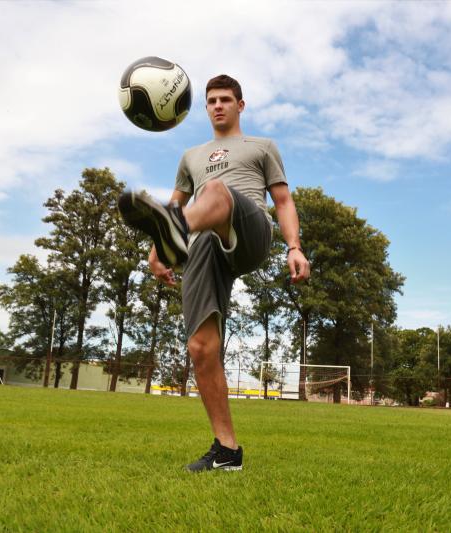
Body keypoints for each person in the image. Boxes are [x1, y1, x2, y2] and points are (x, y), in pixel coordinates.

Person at [119, 74, 310, 472]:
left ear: (241, 105)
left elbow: (283, 200)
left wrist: (294, 246)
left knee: (216, 192)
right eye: (211, 101)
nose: (218, 105)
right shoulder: (190, 156)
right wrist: (156, 250)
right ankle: (227, 452)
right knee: (201, 348)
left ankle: (178, 236)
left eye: (225, 99)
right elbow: (173, 205)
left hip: (249, 228)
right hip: (202, 240)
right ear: (204, 108)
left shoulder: (262, 147)